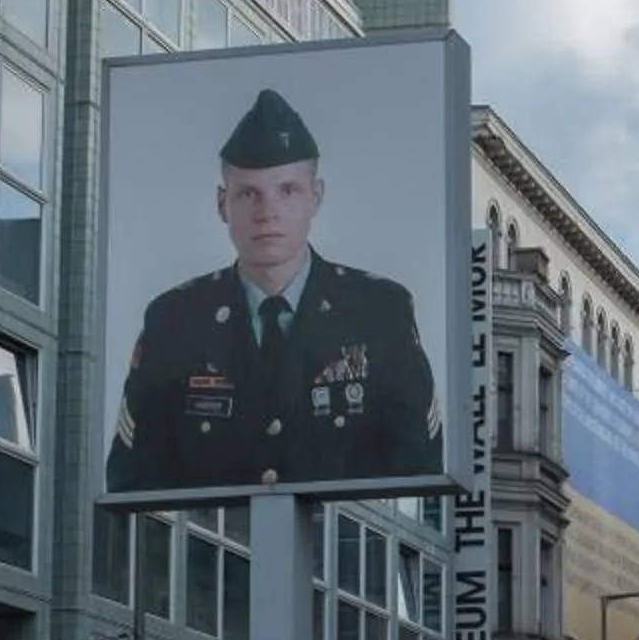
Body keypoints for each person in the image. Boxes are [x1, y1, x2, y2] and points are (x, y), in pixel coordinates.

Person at [105, 87, 441, 494]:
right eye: (249, 194)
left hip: (338, 555)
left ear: (316, 197)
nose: (267, 213)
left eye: (287, 191)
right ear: (221, 203)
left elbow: (420, 479)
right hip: (214, 556)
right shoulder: (175, 320)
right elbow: (134, 485)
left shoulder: (380, 313)